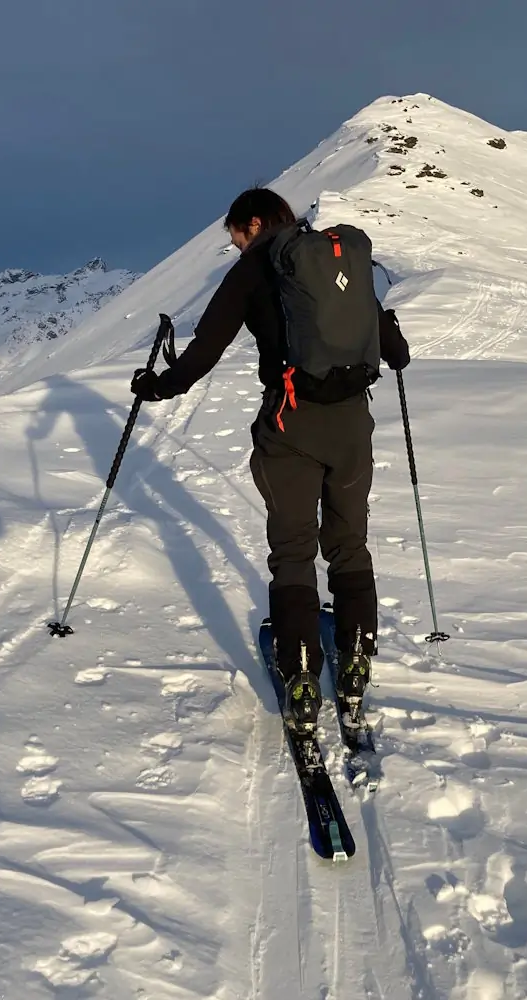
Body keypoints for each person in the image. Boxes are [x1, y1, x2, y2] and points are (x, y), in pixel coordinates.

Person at [130, 188, 410, 732]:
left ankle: (302, 679)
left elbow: (204, 351)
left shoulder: (255, 270)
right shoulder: (330, 263)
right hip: (354, 423)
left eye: (234, 235)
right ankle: (354, 666)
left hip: (292, 426)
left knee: (293, 550)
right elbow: (394, 353)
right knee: (350, 542)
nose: (234, 246)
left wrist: (156, 387)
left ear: (252, 224)